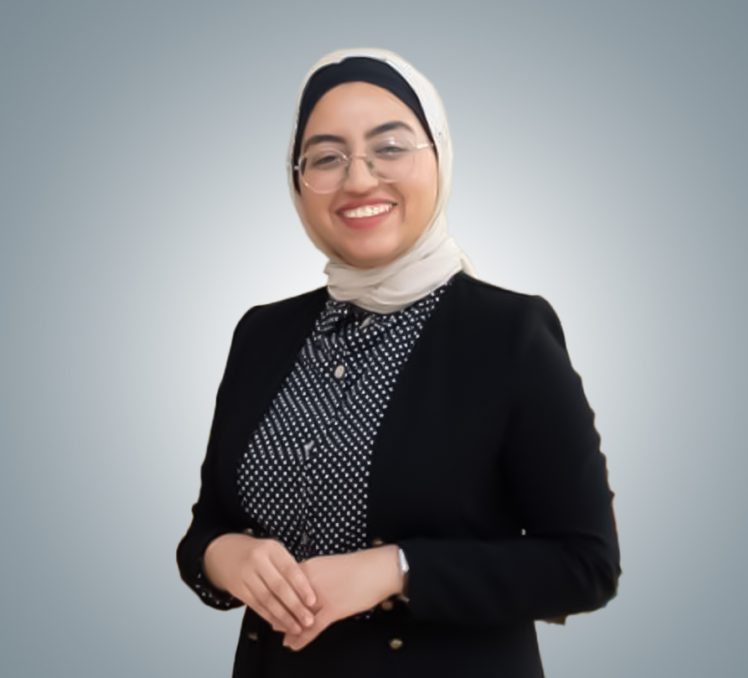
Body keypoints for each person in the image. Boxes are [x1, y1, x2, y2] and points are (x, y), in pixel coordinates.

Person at [176, 46, 621, 678]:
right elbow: (207, 527)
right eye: (326, 157)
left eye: (389, 147)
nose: (358, 180)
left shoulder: (508, 334)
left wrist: (397, 570)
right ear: (297, 182)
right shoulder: (263, 334)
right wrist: (224, 556)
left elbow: (585, 565)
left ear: (440, 156)